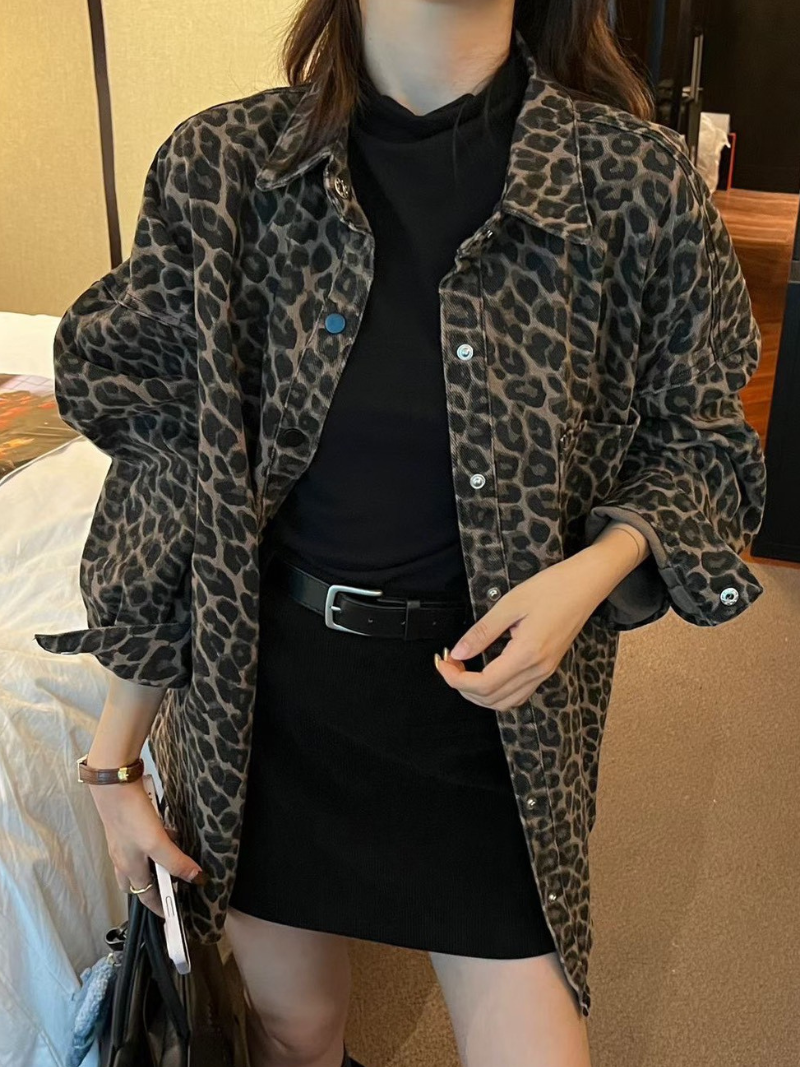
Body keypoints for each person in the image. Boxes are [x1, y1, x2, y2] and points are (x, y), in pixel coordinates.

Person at [34, 0, 767, 1065]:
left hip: (499, 728)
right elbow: (171, 479)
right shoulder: (225, 166)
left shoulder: (629, 180)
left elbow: (705, 443)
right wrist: (114, 765)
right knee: (291, 1032)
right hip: (272, 712)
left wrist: (592, 571)